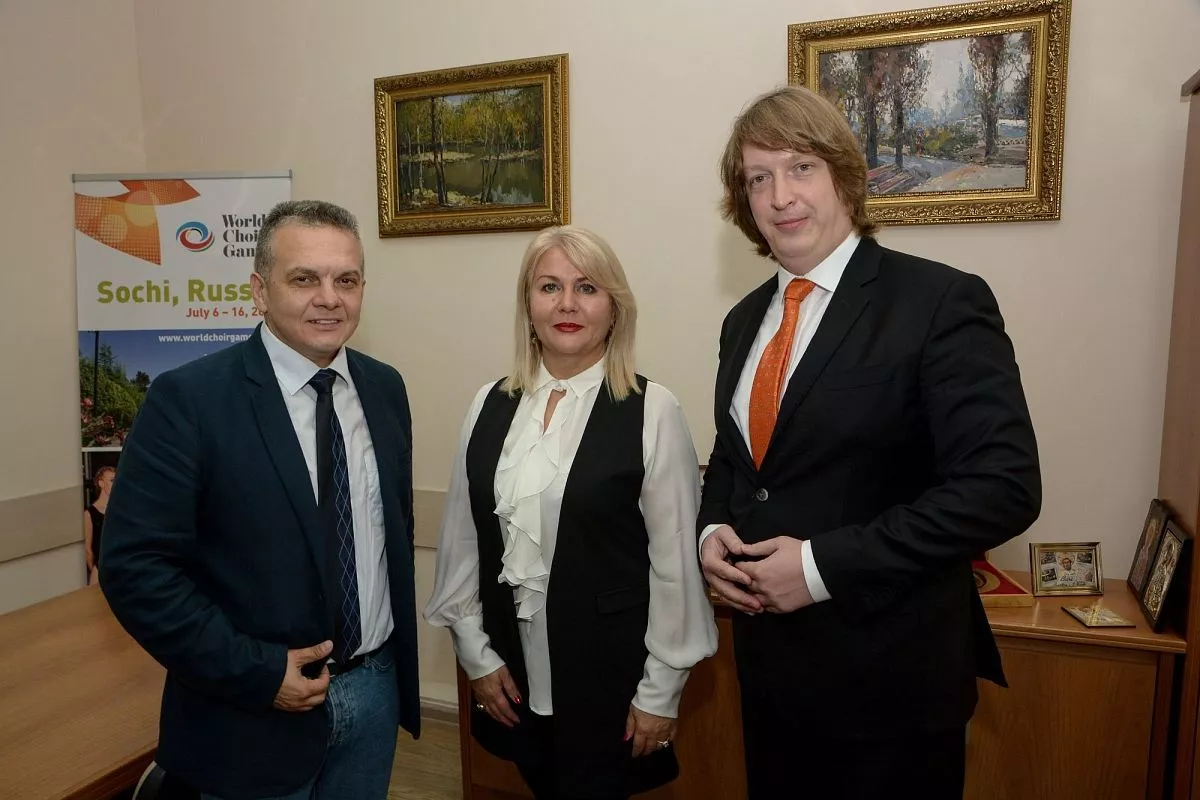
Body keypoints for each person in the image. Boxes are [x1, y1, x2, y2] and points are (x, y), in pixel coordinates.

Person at [698, 86, 1041, 798]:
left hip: (891, 690)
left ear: (845, 178)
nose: (780, 196)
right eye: (758, 178)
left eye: (800, 168)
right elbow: (738, 461)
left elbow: (1001, 488)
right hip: (771, 679)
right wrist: (711, 533)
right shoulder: (742, 322)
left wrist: (818, 566)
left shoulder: (938, 301)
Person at [101, 200, 420, 800]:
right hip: (249, 715)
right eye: (304, 279)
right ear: (258, 291)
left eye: (346, 280)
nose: (328, 298)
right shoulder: (189, 400)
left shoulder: (384, 388)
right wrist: (258, 672)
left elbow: (388, 532)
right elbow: (136, 568)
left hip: (374, 691)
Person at [425, 225, 717, 800]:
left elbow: (676, 568)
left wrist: (660, 691)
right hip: (510, 674)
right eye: (549, 287)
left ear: (614, 307)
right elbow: (462, 541)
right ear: (527, 304)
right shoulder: (487, 404)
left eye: (587, 288)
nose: (566, 304)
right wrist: (475, 656)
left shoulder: (653, 410)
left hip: (611, 680)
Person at [83, 465, 114, 584]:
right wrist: (95, 570)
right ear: (101, 483)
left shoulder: (118, 511)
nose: (115, 484)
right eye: (112, 480)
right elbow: (88, 549)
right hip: (100, 569)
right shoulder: (89, 514)